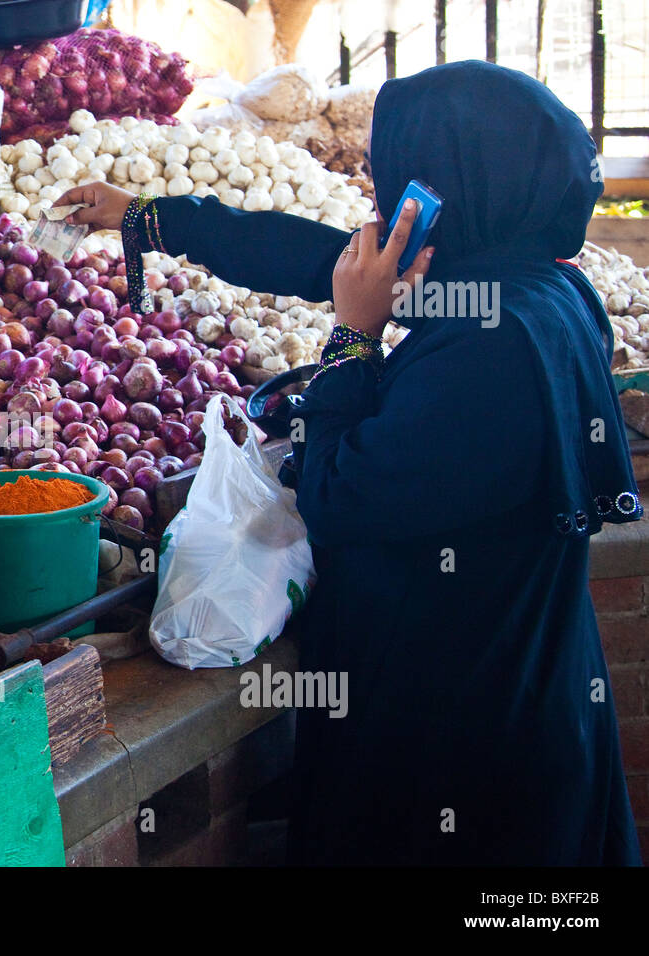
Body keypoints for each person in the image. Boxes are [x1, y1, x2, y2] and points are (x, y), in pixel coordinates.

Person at [59, 60, 643, 866]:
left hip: (458, 740)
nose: (382, 194)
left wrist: (353, 339)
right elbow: (329, 260)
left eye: (399, 174)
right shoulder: (534, 286)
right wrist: (154, 219)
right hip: (514, 685)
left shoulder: (491, 348)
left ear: (456, 184)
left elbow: (339, 497)